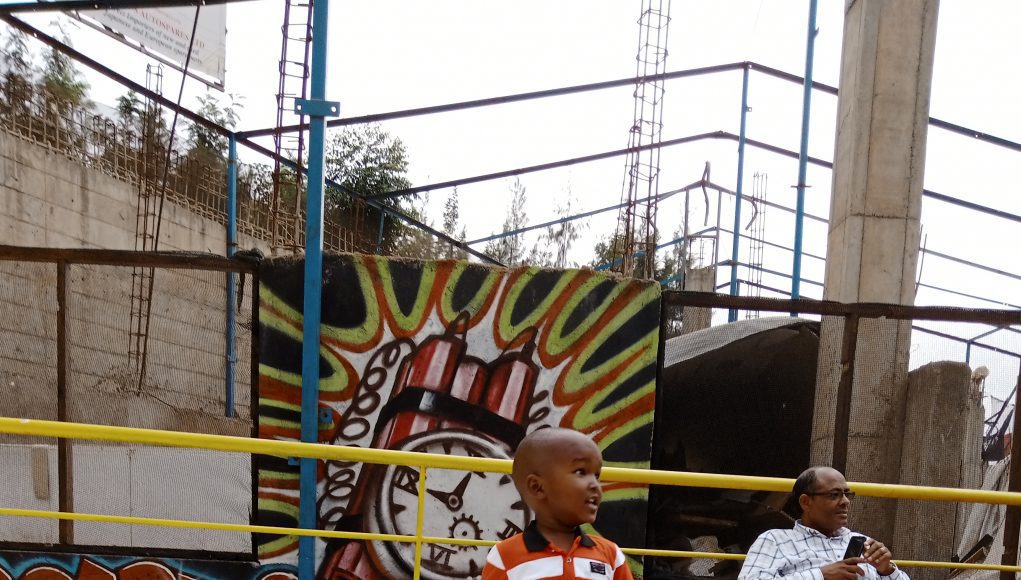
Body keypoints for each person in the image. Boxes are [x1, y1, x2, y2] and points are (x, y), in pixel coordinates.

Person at [482, 427, 634, 580]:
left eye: (596, 475)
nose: (595, 485)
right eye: (580, 472)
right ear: (537, 487)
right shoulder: (504, 557)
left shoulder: (611, 556)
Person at [738, 466, 908, 580]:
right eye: (834, 495)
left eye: (847, 494)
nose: (845, 501)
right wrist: (820, 575)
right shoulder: (775, 540)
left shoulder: (864, 543)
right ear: (806, 502)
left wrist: (887, 570)